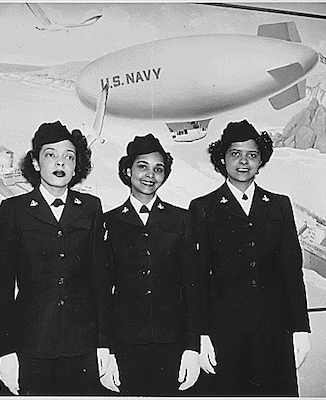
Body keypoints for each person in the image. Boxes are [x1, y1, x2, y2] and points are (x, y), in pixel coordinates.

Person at [187, 119, 311, 396]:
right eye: (235, 154)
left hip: (274, 333)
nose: (243, 162)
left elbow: (293, 271)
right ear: (222, 158)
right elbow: (196, 278)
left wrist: (302, 329)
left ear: (261, 160)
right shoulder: (203, 208)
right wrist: (200, 336)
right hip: (224, 334)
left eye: (252, 155)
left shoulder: (279, 205)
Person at [0, 121, 112, 396]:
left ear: (77, 165)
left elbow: (100, 280)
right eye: (51, 155)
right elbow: (1, 286)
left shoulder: (91, 208)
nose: (61, 162)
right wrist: (5, 352)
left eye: (69, 156)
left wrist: (104, 344)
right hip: (31, 345)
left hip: (82, 347)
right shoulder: (13, 210)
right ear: (35, 163)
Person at [101, 133, 201, 396]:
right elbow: (101, 292)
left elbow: (193, 287)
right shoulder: (108, 222)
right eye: (142, 166)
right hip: (125, 345)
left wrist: (193, 347)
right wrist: (106, 349)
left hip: (174, 344)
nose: (150, 175)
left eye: (158, 169)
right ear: (127, 170)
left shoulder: (182, 220)